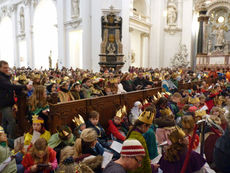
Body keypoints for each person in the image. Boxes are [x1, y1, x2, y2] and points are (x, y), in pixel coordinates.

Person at [0, 60, 32, 139]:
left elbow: (10, 86)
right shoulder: (1, 77)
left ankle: (4, 138)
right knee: (12, 122)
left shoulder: (4, 76)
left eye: (7, 67)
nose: (7, 69)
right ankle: (10, 139)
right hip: (4, 104)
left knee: (4, 123)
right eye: (4, 68)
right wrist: (25, 87)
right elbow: (9, 86)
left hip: (7, 103)